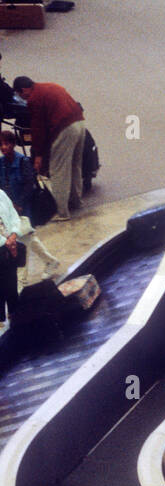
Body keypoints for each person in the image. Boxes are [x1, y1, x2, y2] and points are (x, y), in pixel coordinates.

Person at [11, 76, 85, 221]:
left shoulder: (34, 99)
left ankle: (62, 212)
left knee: (58, 170)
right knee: (75, 165)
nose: (22, 99)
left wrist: (38, 155)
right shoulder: (51, 86)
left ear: (24, 90)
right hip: (80, 123)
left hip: (64, 128)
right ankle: (76, 202)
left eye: (20, 95)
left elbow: (38, 129)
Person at [0, 132, 61, 285]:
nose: (4, 147)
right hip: (10, 211)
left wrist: (19, 203)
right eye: (1, 145)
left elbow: (30, 186)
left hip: (24, 209)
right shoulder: (1, 163)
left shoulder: (23, 161)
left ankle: (22, 280)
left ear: (13, 144)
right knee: (28, 238)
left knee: (22, 242)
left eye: (7, 144)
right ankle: (51, 262)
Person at [0, 186, 20, 325]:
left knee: (12, 283)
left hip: (9, 246)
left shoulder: (1, 194)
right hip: (3, 246)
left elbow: (13, 216)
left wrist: (13, 234)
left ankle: (14, 314)